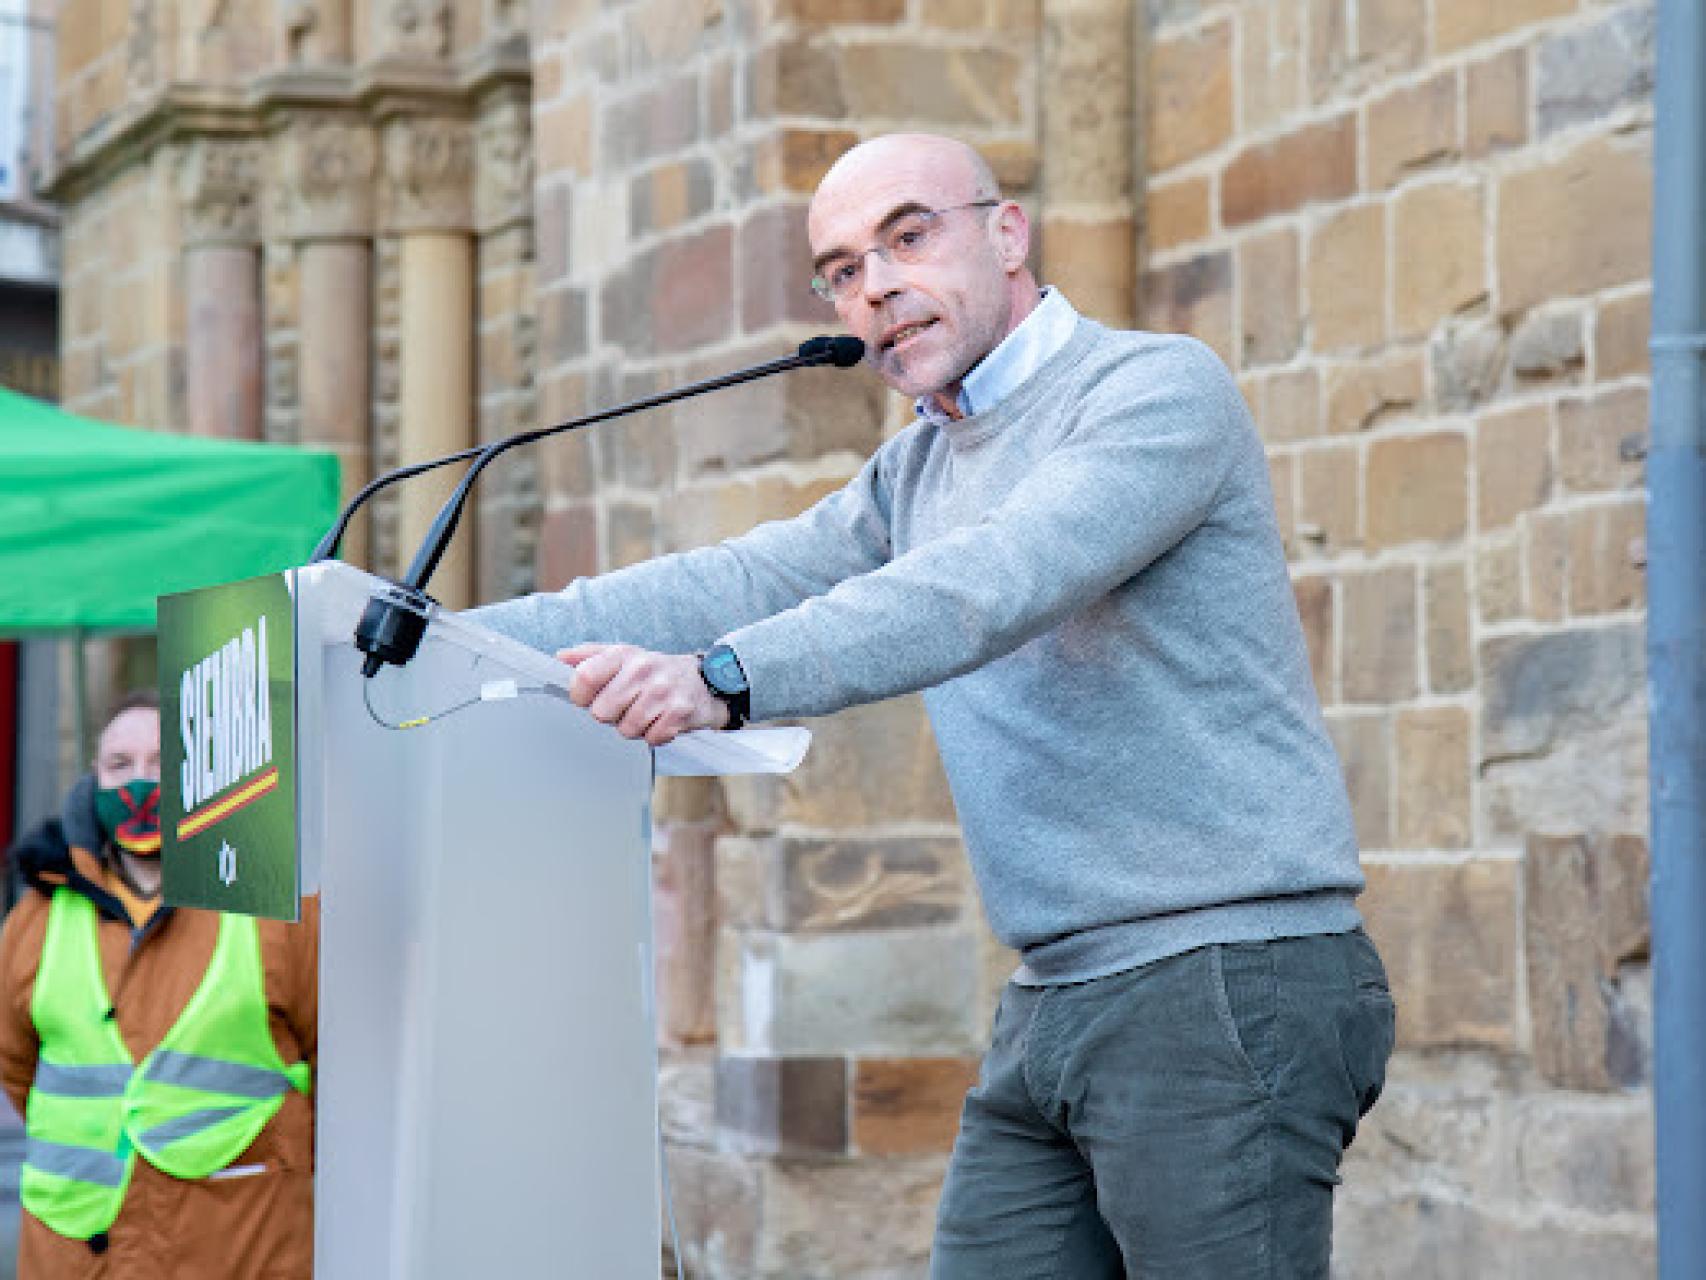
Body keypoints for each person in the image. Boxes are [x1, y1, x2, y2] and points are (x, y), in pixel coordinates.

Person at [470, 132, 1394, 1277]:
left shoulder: (1153, 389)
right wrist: (426, 631)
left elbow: (986, 584)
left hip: (1218, 976)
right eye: (841, 270)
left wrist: (719, 678)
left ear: (1005, 233)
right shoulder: (915, 470)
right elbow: (738, 576)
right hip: (1055, 991)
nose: (874, 286)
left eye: (906, 237)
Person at [0, 691, 317, 1279]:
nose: (139, 784)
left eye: (162, 763)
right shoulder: (37, 918)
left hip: (236, 1248)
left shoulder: (275, 909)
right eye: (119, 765)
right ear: (93, 779)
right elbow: (17, 1068)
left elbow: (339, 1075)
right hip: (75, 1255)